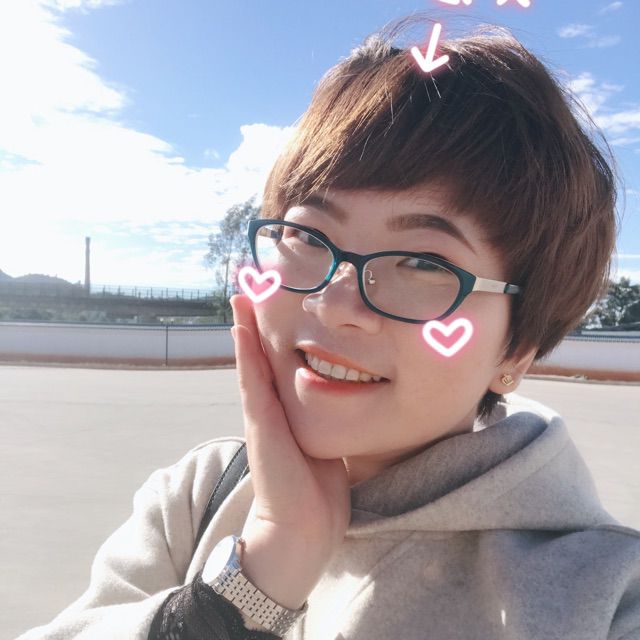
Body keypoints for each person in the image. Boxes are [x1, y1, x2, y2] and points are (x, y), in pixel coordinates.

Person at [18, 15, 640, 640]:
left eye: (425, 263)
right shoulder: (199, 496)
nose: (337, 302)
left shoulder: (602, 598)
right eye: (308, 236)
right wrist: (248, 588)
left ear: (518, 348)